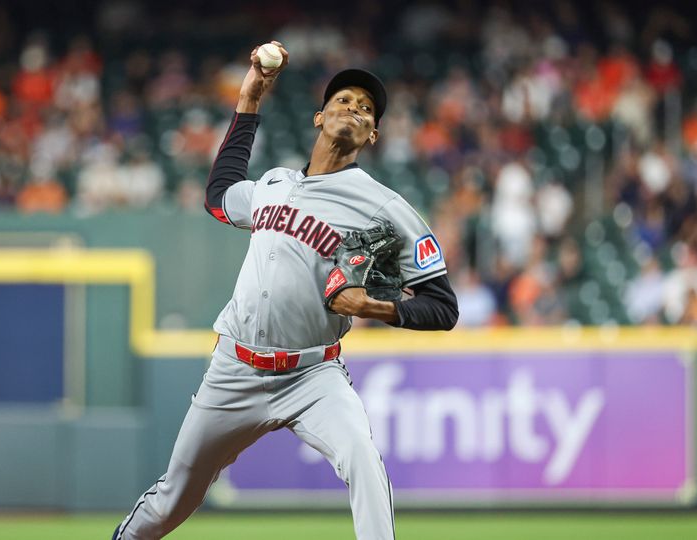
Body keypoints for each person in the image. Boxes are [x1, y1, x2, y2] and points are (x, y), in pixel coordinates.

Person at [113, 42, 459, 540]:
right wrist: (248, 104)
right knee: (174, 498)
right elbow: (218, 196)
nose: (354, 109)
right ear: (319, 117)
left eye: (366, 109)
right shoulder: (274, 184)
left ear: (373, 134)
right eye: (344, 100)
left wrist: (377, 307)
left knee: (362, 458)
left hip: (313, 376)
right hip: (233, 369)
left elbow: (443, 306)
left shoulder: (387, 208)